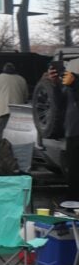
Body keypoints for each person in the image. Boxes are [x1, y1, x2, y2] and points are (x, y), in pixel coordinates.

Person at [48, 59, 79, 199]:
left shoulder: (75, 81)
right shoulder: (71, 80)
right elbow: (60, 105)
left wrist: (76, 85)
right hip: (72, 133)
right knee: (73, 174)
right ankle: (73, 206)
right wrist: (55, 84)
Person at [0, 62, 28, 138]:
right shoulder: (21, 79)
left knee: (2, 135)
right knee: (17, 136)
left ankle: (3, 149)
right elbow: (25, 96)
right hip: (17, 112)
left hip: (2, 112)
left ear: (3, 70)